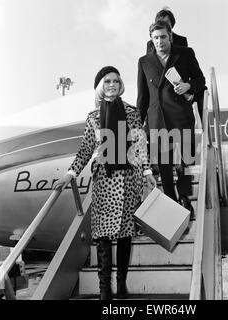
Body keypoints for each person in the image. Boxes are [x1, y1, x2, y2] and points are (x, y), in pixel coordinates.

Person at [54, 66, 156, 300]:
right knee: (102, 235)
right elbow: (85, 149)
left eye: (116, 80)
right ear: (100, 86)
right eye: (107, 81)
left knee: (124, 234)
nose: (112, 84)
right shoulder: (93, 117)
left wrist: (148, 171)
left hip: (129, 179)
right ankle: (103, 288)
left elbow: (140, 144)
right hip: (104, 181)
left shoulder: (132, 112)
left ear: (120, 85)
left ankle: (120, 284)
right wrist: (70, 173)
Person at [137, 20, 206, 214]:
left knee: (185, 159)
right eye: (155, 38)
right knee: (164, 165)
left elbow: (201, 80)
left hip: (181, 115)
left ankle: (184, 197)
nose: (159, 41)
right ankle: (172, 202)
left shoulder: (185, 54)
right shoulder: (144, 62)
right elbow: (142, 96)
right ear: (151, 39)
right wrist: (137, 124)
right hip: (157, 118)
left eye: (163, 37)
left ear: (170, 36)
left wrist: (188, 86)